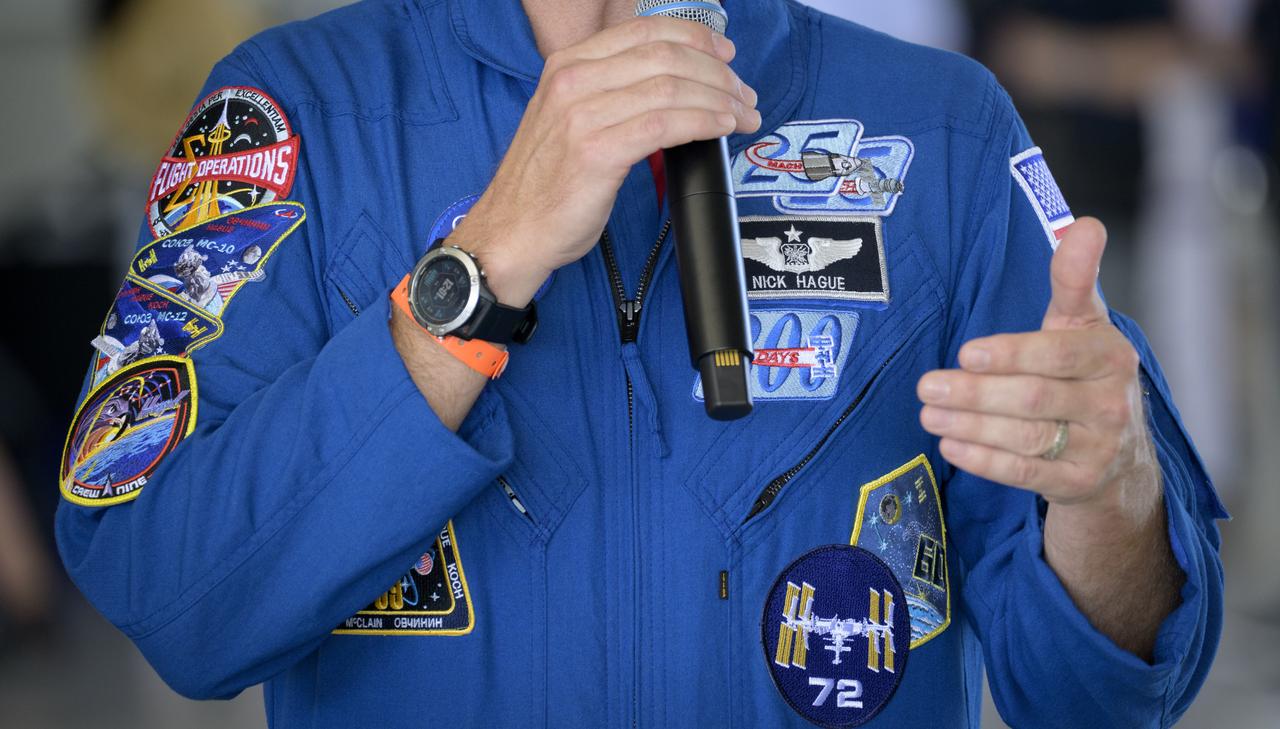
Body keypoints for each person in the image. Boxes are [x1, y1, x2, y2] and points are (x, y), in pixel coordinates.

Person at [55, 0, 1226, 727]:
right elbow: (171, 600)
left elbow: (1101, 697)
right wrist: (484, 260)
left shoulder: (947, 131)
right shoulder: (289, 113)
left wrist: (1108, 494)